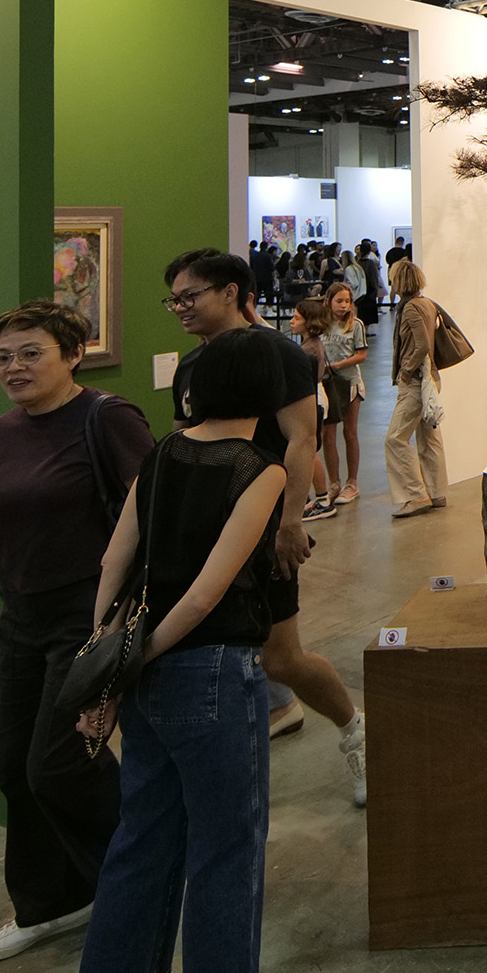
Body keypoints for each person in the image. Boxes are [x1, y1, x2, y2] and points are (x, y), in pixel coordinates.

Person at [73, 328, 304, 973]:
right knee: (228, 839)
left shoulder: (163, 452)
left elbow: (113, 562)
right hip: (213, 669)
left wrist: (112, 659)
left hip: (145, 677)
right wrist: (146, 654)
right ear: (267, 391)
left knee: (143, 830)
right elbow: (207, 595)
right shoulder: (261, 469)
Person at [0, 301, 154, 966]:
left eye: (31, 353)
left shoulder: (107, 418)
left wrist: (119, 624)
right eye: (3, 357)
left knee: (59, 765)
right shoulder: (1, 433)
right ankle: (49, 902)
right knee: (15, 770)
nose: (13, 367)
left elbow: (154, 515)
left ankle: (142, 877)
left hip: (86, 619)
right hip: (20, 621)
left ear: (74, 354)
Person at [161, 250, 364, 806]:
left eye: (190, 296)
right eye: (174, 300)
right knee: (224, 648)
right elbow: (181, 443)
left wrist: (291, 521)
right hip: (209, 530)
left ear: (230, 292)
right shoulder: (191, 365)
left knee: (281, 656)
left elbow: (301, 439)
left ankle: (355, 730)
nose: (181, 308)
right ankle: (273, 714)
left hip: (266, 526)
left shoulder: (279, 355)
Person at [384, 260, 448, 517]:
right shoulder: (427, 304)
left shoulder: (410, 308)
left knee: (395, 438)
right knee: (429, 438)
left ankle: (415, 494)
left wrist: (406, 370)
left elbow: (421, 345)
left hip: (417, 382)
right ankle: (436, 492)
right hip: (430, 378)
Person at [320, 280, 370, 508]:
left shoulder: (355, 325)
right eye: (339, 301)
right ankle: (333, 483)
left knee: (350, 432)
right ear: (329, 302)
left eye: (347, 301)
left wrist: (337, 366)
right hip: (328, 385)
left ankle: (352, 482)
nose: (343, 305)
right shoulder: (322, 324)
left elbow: (361, 355)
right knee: (328, 434)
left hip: (350, 384)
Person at [289, 296, 339, 521]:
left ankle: (322, 499)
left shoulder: (309, 349)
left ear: (308, 323)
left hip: (313, 398)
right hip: (314, 395)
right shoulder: (310, 344)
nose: (292, 321)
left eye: (296, 318)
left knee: (308, 451)